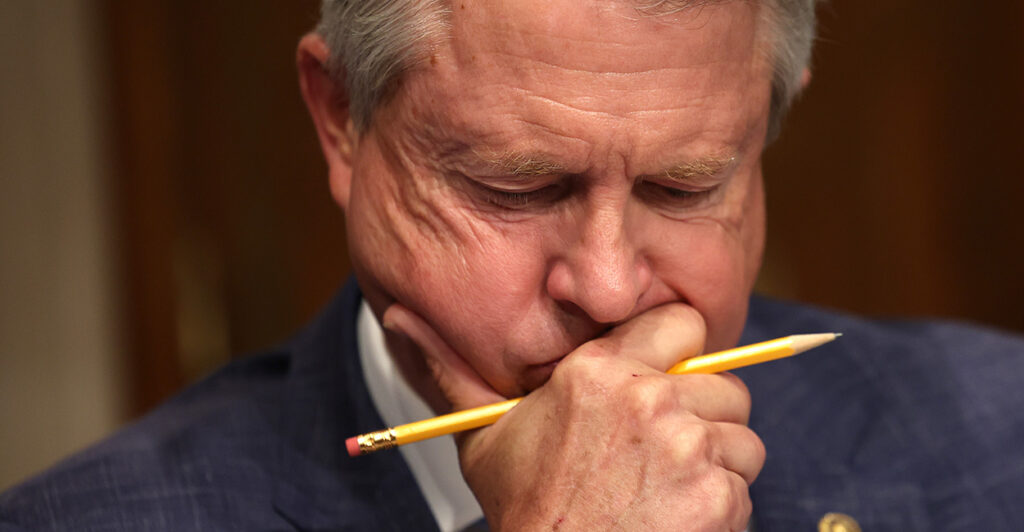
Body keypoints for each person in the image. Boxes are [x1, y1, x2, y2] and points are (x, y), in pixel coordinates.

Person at [3, 0, 1024, 530]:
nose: (611, 286)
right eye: (515, 189)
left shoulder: (999, 442)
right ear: (341, 122)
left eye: (684, 187)